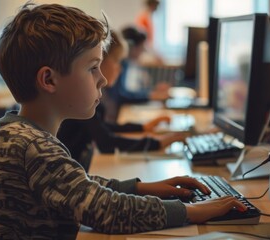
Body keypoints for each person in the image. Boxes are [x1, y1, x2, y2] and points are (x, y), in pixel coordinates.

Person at [0, 3, 246, 239]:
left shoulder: (7, 133)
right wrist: (193, 212)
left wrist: (139, 187)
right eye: (92, 68)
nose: (104, 79)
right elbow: (107, 211)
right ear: (49, 79)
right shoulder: (35, 149)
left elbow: (76, 185)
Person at [57, 30, 181, 172]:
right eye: (117, 61)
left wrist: (142, 128)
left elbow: (104, 128)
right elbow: (106, 141)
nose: (120, 69)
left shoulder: (89, 100)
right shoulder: (81, 100)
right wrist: (156, 143)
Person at [105, 26, 170, 122]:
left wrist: (151, 92)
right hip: (111, 116)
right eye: (141, 47)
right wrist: (150, 95)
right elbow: (120, 95)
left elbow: (124, 92)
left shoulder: (125, 63)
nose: (143, 51)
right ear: (131, 47)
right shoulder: (120, 63)